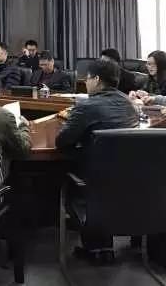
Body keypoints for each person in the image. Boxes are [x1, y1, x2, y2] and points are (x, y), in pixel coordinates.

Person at [55, 59, 140, 256]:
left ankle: (91, 238)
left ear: (97, 80)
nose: (85, 83)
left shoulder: (87, 106)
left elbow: (62, 141)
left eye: (87, 78)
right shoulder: (128, 103)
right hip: (129, 175)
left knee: (56, 170)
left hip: (94, 179)